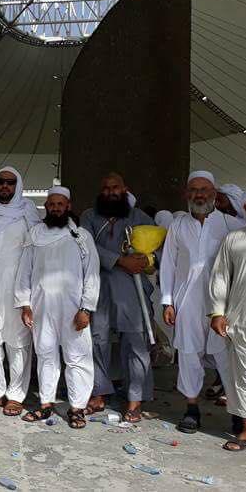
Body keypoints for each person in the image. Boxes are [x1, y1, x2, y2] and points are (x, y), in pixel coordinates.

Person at [161, 171, 246, 433]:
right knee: (189, 354)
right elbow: (168, 264)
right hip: (186, 302)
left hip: (222, 305)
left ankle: (237, 411)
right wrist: (167, 301)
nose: (199, 195)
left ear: (214, 194)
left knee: (225, 356)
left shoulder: (231, 224)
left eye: (204, 190)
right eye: (194, 190)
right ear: (187, 194)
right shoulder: (178, 225)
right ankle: (191, 408)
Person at [16, 186, 100, 428]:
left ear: (68, 207)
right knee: (45, 356)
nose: (55, 208)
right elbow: (24, 271)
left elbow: (92, 275)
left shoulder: (81, 236)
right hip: (41, 307)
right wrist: (24, 304)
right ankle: (45, 404)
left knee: (77, 358)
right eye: (51, 204)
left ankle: (77, 408)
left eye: (59, 204)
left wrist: (86, 308)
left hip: (74, 310)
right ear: (46, 207)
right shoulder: (35, 235)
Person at [79, 172, 156, 421]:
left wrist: (147, 260)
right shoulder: (89, 216)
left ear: (124, 190)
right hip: (98, 286)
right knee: (96, 340)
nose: (110, 192)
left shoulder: (138, 216)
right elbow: (85, 245)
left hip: (131, 289)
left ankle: (135, 400)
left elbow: (160, 248)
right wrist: (121, 260)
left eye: (115, 188)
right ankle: (98, 394)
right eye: (106, 188)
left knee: (135, 342)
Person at [0, 167, 41, 416]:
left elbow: (36, 251)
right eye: (1, 182)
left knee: (18, 342)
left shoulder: (28, 211)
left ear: (18, 186)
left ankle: (16, 395)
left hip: (18, 285)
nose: (5, 186)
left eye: (10, 182)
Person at [209, 185, 246, 451]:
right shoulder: (234, 239)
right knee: (244, 374)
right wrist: (217, 312)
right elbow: (220, 277)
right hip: (242, 320)